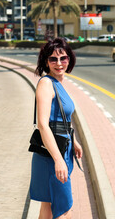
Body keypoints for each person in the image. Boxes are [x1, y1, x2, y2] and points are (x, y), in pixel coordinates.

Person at [30, 37, 83, 219]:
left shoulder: (58, 83)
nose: (59, 63)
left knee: (48, 206)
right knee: (63, 208)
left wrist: (74, 141)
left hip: (61, 150)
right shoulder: (46, 84)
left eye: (63, 58)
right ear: (46, 61)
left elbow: (61, 118)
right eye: (53, 59)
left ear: (70, 59)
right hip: (53, 155)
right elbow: (43, 124)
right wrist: (58, 160)